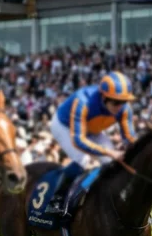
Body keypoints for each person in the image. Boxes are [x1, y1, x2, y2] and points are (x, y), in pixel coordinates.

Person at [45, 72, 138, 217]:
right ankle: (56, 200)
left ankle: (106, 201)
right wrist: (110, 152)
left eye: (124, 102)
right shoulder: (82, 101)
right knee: (84, 160)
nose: (120, 107)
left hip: (92, 129)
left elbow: (130, 138)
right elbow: (79, 141)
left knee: (111, 163)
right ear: (104, 97)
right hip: (64, 126)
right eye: (115, 102)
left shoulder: (124, 110)